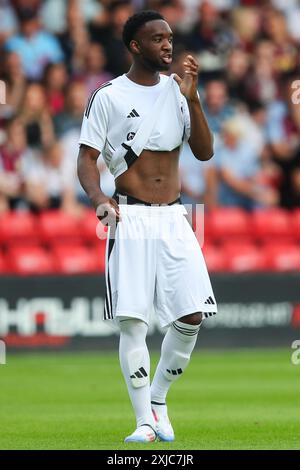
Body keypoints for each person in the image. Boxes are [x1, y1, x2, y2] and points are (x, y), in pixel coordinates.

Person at [77, 10, 217, 444]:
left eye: (170, 38)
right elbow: (86, 161)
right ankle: (143, 423)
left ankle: (158, 399)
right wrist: (99, 199)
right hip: (130, 215)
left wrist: (193, 99)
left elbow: (205, 153)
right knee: (133, 322)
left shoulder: (179, 93)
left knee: (192, 315)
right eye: (157, 39)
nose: (168, 46)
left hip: (176, 216)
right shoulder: (108, 96)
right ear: (135, 46)